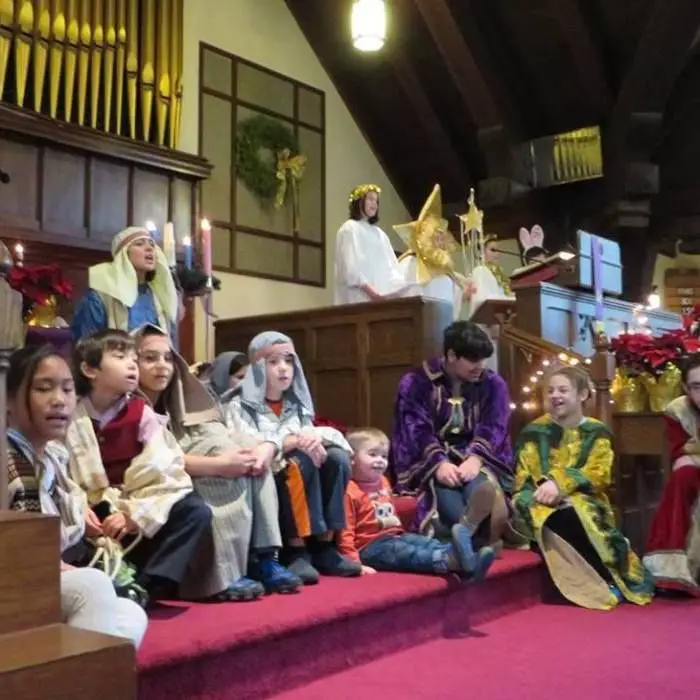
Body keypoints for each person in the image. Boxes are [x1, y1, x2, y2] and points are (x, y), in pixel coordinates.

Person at [134, 325, 301, 600]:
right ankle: (219, 576)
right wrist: (221, 465)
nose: (162, 366)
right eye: (150, 358)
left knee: (250, 455)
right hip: (154, 482)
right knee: (223, 464)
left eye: (167, 358)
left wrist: (265, 447)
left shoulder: (179, 396)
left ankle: (262, 558)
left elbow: (215, 429)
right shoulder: (129, 407)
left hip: (194, 460)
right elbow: (150, 462)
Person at [5, 343, 147, 647]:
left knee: (130, 613)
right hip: (13, 582)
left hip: (39, 576)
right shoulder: (8, 459)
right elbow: (20, 556)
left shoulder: (53, 456)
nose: (59, 401)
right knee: (91, 586)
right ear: (9, 399)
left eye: (68, 390)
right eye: (44, 388)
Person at [65, 329, 212, 602]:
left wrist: (136, 514)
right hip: (89, 510)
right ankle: (107, 576)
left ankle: (148, 583)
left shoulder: (141, 413)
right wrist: (78, 506)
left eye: (134, 358)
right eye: (121, 357)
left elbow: (164, 467)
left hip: (130, 505)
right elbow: (59, 470)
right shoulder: (71, 413)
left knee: (194, 510)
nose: (132, 364)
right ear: (89, 369)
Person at [225, 331, 361, 584]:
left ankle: (324, 546)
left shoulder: (296, 404)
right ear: (256, 366)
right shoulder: (238, 405)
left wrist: (310, 437)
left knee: (337, 459)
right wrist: (294, 440)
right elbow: (254, 449)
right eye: (273, 361)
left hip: (298, 471)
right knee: (300, 461)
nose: (283, 369)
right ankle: (295, 548)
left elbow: (313, 435)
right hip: (264, 478)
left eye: (289, 360)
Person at [513, 366, 654, 609]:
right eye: (550, 391)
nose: (555, 396)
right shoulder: (533, 432)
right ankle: (599, 581)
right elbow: (523, 475)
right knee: (556, 515)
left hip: (587, 499)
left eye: (563, 390)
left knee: (578, 513)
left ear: (581, 395)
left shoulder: (597, 431)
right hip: (538, 500)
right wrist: (544, 491)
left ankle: (611, 578)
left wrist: (562, 484)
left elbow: (599, 473)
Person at [391, 321, 514, 577]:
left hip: (476, 455)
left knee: (478, 487)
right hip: (432, 458)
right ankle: (474, 544)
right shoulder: (415, 382)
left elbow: (495, 426)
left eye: (483, 359)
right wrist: (438, 464)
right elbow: (415, 428)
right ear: (450, 355)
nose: (480, 366)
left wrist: (477, 458)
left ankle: (464, 541)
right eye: (472, 359)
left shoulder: (494, 384)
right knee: (446, 486)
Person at [337, 427, 487, 578]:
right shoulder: (349, 491)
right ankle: (447, 560)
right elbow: (346, 531)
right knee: (407, 553)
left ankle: (464, 555)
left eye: (384, 456)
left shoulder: (383, 481)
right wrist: (354, 563)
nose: (380, 461)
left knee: (423, 542)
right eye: (372, 454)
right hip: (369, 547)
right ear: (352, 459)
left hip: (394, 535)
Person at [644, 355, 700, 595]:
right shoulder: (678, 410)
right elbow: (681, 454)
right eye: (697, 387)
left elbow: (690, 452)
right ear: (687, 389)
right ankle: (673, 573)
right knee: (683, 476)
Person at [72, 227, 179, 342]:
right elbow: (86, 344)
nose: (149, 248)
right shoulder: (101, 296)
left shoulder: (159, 296)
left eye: (152, 244)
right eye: (139, 244)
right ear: (123, 255)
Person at [334, 184, 417, 305]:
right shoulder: (349, 228)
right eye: (370, 199)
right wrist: (373, 294)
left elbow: (391, 267)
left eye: (376, 201)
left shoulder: (380, 234)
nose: (374, 204)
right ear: (359, 201)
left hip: (380, 301)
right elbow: (351, 269)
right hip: (358, 299)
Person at [462, 235, 515, 372]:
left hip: (500, 325)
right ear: (482, 253)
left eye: (499, 251)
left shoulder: (501, 276)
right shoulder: (481, 271)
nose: (497, 253)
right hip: (487, 325)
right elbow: (482, 298)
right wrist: (493, 322)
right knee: (489, 364)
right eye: (493, 250)